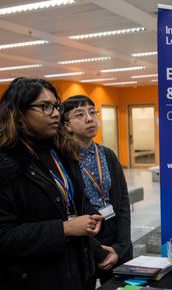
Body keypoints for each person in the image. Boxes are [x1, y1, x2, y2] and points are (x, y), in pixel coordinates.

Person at [0, 77, 103, 290]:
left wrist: (94, 236)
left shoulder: (62, 152)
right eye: (45, 107)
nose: (56, 113)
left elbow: (70, 203)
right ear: (18, 113)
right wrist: (63, 229)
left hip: (72, 273)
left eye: (56, 106)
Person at [62, 95, 132, 285]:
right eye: (80, 114)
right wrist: (98, 252)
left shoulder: (107, 155)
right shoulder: (63, 162)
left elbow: (123, 201)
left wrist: (121, 247)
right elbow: (69, 213)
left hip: (115, 233)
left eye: (92, 112)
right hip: (85, 241)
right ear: (66, 125)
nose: (89, 118)